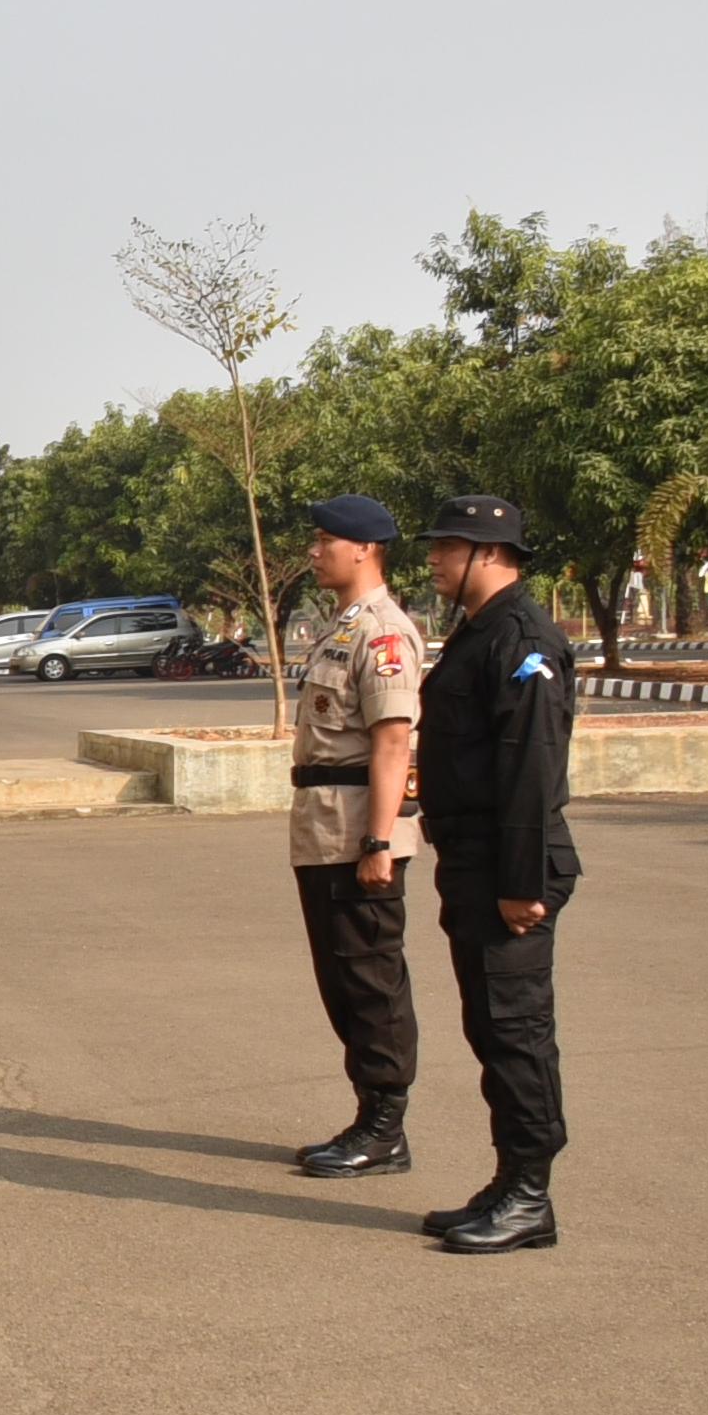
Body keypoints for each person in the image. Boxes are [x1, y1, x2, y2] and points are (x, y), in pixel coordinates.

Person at [415, 494, 581, 1253]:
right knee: (490, 1026)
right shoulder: (476, 634)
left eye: (445, 549)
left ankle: (530, 1194)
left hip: (507, 867)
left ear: (486, 552)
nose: (434, 562)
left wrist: (522, 884)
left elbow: (531, 769)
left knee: (517, 1031)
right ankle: (509, 1177)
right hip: (473, 861)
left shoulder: (521, 638)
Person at [287, 497, 429, 1179]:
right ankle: (369, 1111)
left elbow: (394, 740)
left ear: (365, 549)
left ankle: (385, 1126)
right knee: (341, 974)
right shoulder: (340, 627)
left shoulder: (382, 633)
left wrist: (378, 842)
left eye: (324, 540)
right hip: (324, 821)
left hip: (357, 830)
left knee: (371, 977)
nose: (314, 552)